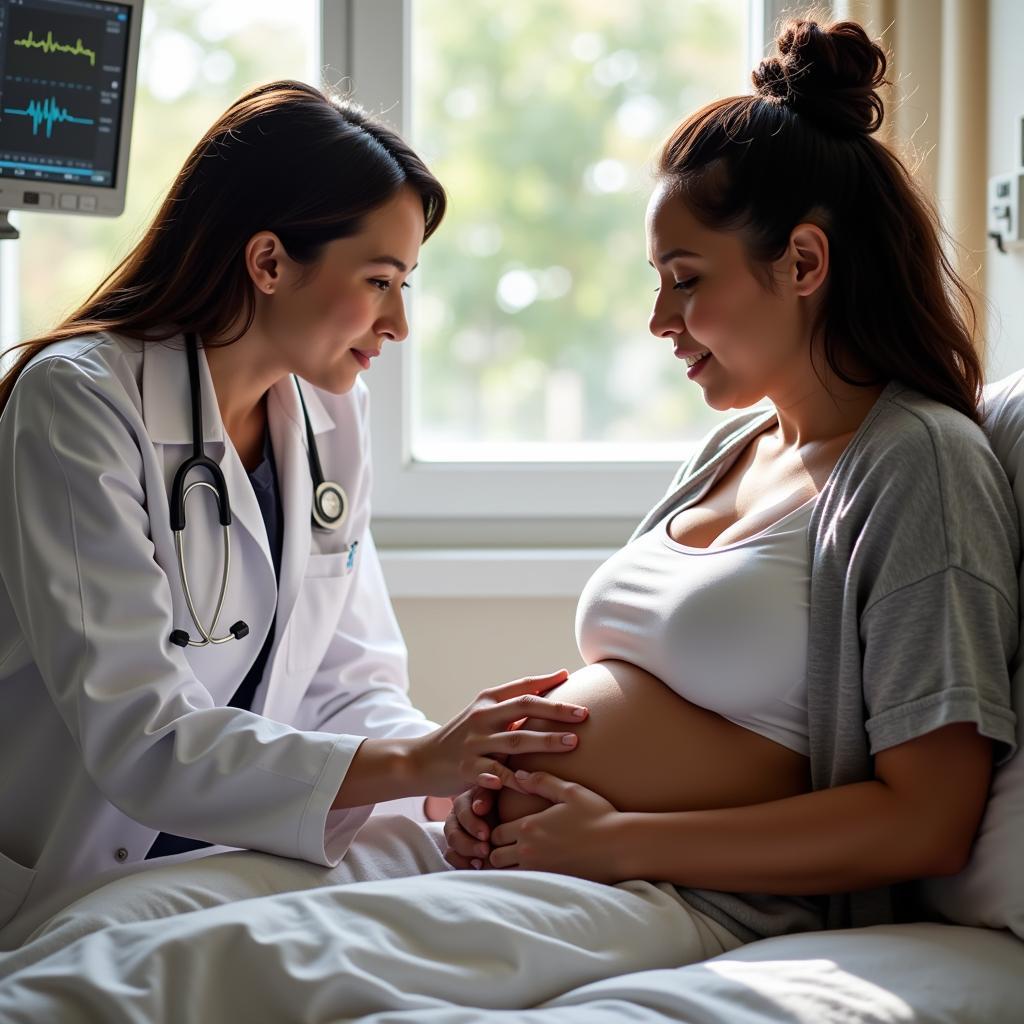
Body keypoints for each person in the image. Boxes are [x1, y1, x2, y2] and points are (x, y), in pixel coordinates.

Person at [0, 80, 591, 938]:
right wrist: (421, 757)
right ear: (270, 262)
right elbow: (141, 736)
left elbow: (349, 680)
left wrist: (449, 781)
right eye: (379, 280)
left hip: (241, 853)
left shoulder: (327, 412)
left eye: (407, 285)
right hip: (87, 866)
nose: (399, 323)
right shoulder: (80, 402)